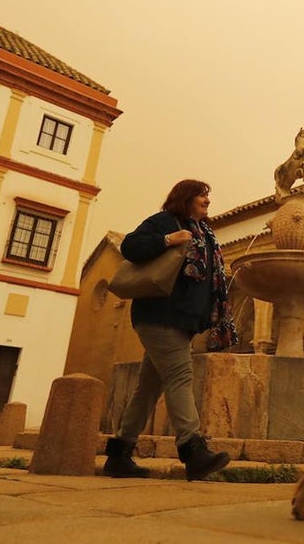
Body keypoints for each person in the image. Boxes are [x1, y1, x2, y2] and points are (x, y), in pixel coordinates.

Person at [102, 179, 238, 482]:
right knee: (180, 376)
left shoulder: (206, 234)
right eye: (202, 195)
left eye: (208, 196)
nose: (207, 200)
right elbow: (130, 246)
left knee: (148, 389)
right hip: (159, 315)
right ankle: (193, 450)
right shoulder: (164, 222)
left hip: (182, 320)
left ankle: (119, 453)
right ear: (186, 198)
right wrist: (168, 239)